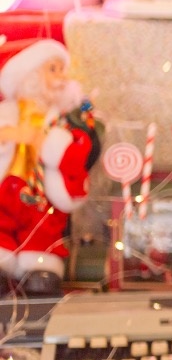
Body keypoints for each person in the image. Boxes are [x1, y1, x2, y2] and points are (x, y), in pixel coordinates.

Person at [0, 40, 100, 297]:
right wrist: (15, 133)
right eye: (52, 69)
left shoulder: (59, 120)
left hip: (41, 193)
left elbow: (72, 155)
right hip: (7, 185)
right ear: (30, 75)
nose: (60, 77)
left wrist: (50, 143)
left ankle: (39, 266)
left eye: (61, 70)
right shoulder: (7, 112)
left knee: (43, 226)